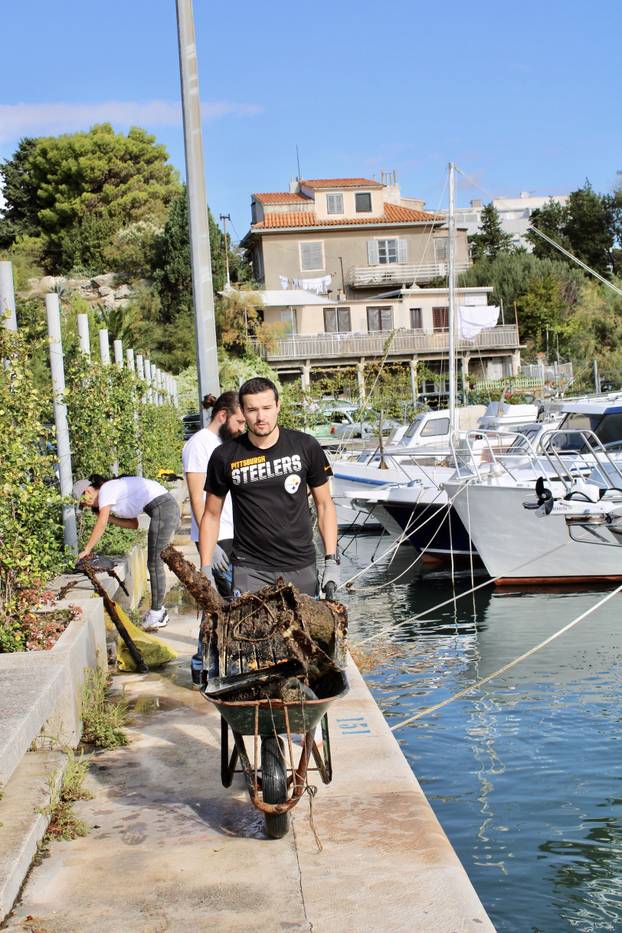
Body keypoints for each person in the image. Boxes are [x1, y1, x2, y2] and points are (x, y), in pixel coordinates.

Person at [199, 377, 339, 599]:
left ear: (278, 407)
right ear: (243, 413)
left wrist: (331, 560)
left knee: (301, 633)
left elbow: (324, 506)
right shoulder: (224, 456)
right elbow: (211, 515)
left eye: (266, 408)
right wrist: (205, 567)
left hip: (300, 565)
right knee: (249, 632)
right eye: (252, 410)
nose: (261, 417)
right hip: (250, 568)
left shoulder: (305, 446)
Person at [182, 391, 246, 683]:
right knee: (223, 605)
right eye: (239, 422)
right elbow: (197, 498)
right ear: (223, 416)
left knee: (226, 604)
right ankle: (202, 666)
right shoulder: (200, 445)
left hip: (235, 534)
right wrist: (211, 547)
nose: (242, 428)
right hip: (217, 538)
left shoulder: (226, 444)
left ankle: (207, 665)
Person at [74, 474, 180, 630]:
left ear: (88, 489)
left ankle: (158, 614)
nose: (87, 505)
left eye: (84, 499)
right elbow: (133, 524)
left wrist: (87, 549)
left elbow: (101, 523)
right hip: (163, 508)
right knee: (154, 562)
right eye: (83, 506)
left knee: (154, 563)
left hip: (163, 507)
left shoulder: (106, 489)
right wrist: (109, 518)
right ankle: (158, 611)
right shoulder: (112, 495)